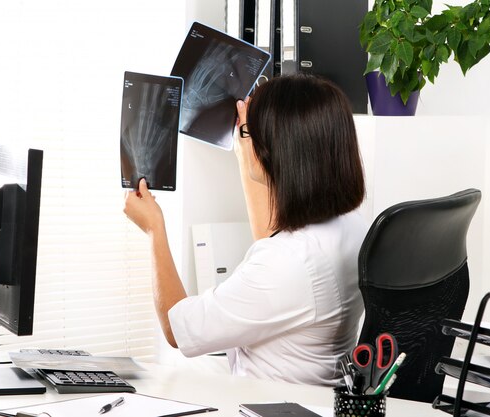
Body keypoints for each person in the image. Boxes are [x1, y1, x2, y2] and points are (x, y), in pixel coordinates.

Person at [124, 73, 368, 386]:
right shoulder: (351, 227)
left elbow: (177, 328)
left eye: (252, 132)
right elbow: (272, 240)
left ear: (278, 151)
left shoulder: (286, 264)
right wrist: (245, 149)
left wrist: (154, 229)